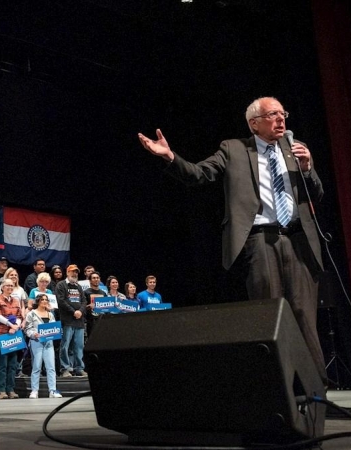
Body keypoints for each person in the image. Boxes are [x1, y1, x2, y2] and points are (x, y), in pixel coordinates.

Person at [137, 96, 326, 382]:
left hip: (299, 241)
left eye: (282, 113)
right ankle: (279, 390)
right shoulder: (234, 149)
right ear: (254, 123)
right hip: (262, 241)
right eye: (272, 114)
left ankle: (316, 392)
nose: (281, 119)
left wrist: (309, 167)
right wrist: (170, 156)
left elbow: (317, 195)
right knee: (270, 315)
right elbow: (199, 174)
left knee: (304, 316)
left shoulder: (295, 150)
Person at [23, 293, 62, 399]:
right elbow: (27, 329)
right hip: (37, 342)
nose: (44, 301)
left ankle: (52, 390)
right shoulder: (32, 314)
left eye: (46, 300)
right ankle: (34, 390)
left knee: (51, 367)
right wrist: (33, 334)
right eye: (42, 300)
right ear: (38, 301)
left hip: (49, 343)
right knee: (36, 366)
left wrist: (57, 332)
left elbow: (53, 328)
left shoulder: (50, 314)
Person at [0, 278, 24, 399]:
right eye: (7, 286)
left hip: (14, 334)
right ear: (2, 287)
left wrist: (16, 327)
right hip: (2, 334)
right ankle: (1, 390)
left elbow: (19, 315)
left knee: (13, 364)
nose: (10, 287)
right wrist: (10, 325)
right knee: (2, 364)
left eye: (12, 285)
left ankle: (11, 389)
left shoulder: (16, 300)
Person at [56, 264, 87, 378]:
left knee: (79, 346)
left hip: (79, 321)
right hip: (67, 320)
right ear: (67, 272)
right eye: (72, 272)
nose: (75, 274)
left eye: (76, 272)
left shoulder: (78, 286)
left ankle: (79, 368)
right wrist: (74, 311)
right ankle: (65, 368)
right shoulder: (61, 285)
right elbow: (61, 301)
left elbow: (84, 301)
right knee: (65, 346)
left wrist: (80, 311)